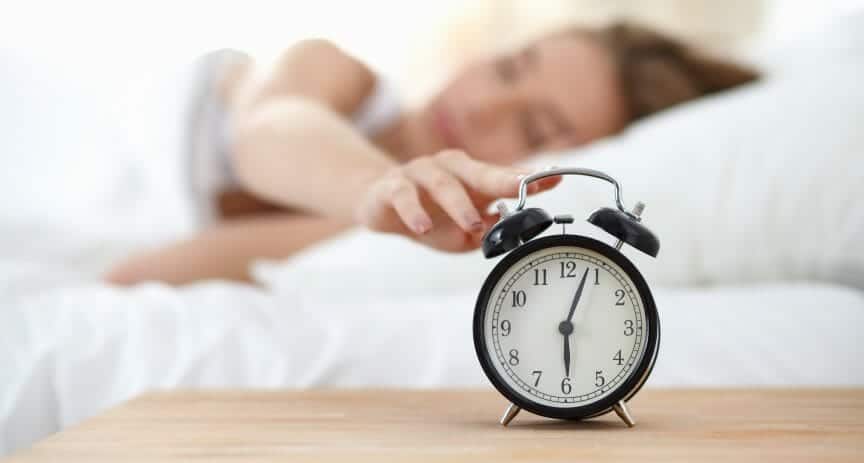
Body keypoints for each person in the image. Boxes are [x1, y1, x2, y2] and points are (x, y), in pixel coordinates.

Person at [106, 22, 757, 285]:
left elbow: (143, 276)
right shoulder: (337, 72)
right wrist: (375, 187)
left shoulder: (409, 225)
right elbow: (269, 131)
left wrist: (379, 207)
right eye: (505, 70)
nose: (480, 107)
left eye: (532, 126)